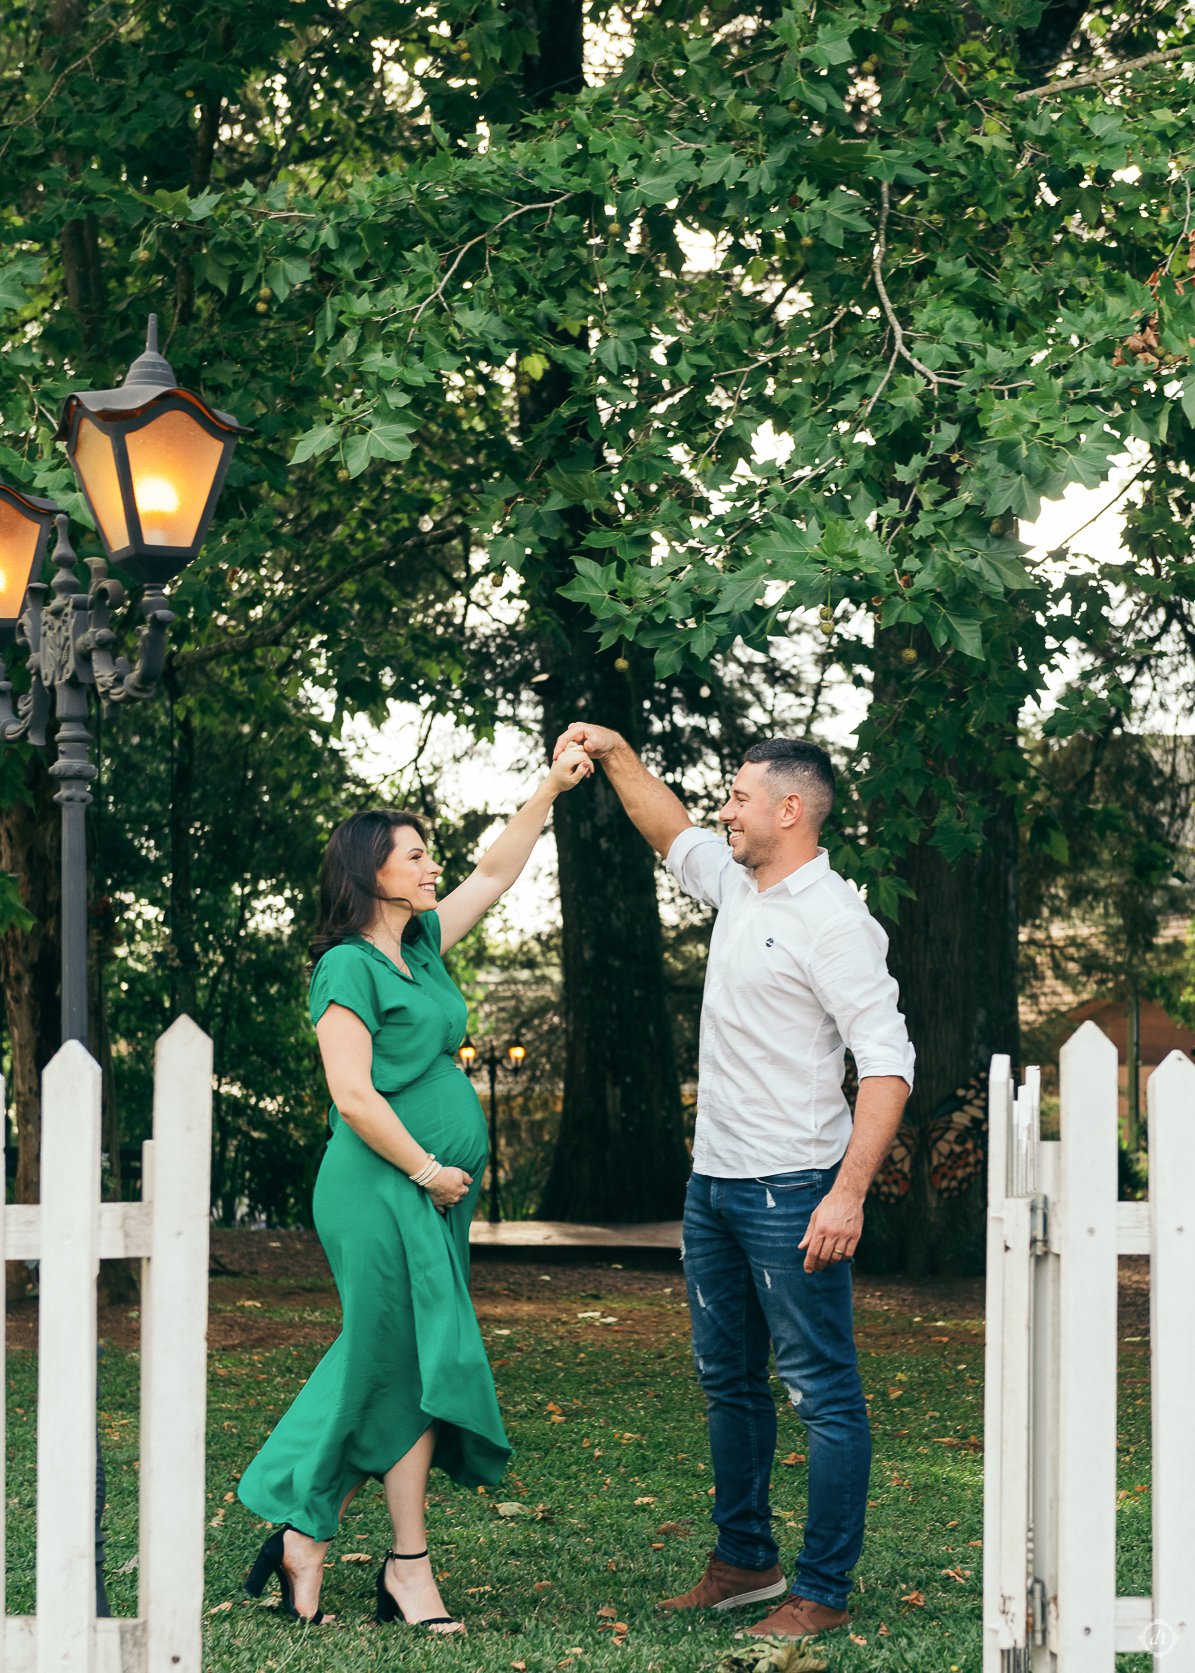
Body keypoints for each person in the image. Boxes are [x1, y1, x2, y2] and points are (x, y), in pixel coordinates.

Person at [551, 723, 914, 1642]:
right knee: (728, 1383)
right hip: (712, 1186)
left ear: (790, 810)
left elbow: (886, 1062)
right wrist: (619, 754)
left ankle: (821, 1591)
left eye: (741, 797)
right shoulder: (740, 889)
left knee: (821, 1392)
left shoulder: (831, 919)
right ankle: (745, 1561)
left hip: (793, 1189)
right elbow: (669, 830)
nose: (725, 809)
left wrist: (847, 1191)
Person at [238, 743, 593, 1632]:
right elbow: (352, 1093)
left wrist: (548, 788)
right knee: (387, 1352)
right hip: (379, 1183)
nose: (434, 864)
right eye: (415, 854)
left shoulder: (424, 945)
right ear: (372, 874)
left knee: (415, 1358)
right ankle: (315, 1532)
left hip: (434, 1190)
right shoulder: (345, 966)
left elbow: (498, 871)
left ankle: (383, 1560)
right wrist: (426, 1165)